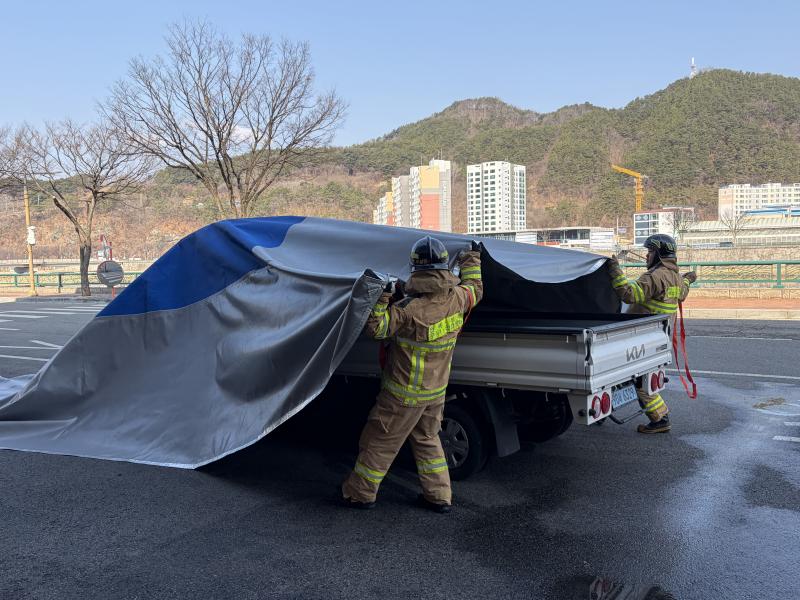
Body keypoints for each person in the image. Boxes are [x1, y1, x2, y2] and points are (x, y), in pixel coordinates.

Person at [341, 236, 483, 512]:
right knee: (429, 441)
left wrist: (383, 295)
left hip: (401, 396)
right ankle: (439, 496)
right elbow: (476, 287)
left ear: (415, 269)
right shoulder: (458, 299)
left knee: (379, 442)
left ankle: (358, 494)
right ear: (443, 266)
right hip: (435, 393)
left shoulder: (407, 311)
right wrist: (471, 257)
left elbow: (377, 329)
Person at [607, 234, 696, 434]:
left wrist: (614, 270)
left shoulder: (655, 276)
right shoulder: (675, 277)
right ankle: (660, 417)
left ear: (659, 254)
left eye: (649, 252)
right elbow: (683, 291)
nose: (647, 256)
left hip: (641, 338)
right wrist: (689, 279)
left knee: (639, 381)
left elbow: (629, 294)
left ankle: (660, 419)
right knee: (644, 379)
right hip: (658, 338)